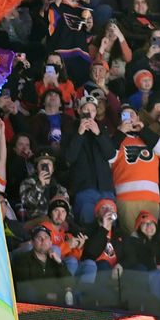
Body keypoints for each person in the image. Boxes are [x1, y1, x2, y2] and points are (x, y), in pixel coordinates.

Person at [110, 103, 160, 233]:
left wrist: (144, 131)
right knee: (132, 237)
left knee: (150, 237)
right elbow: (109, 158)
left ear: (138, 117)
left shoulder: (149, 138)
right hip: (126, 198)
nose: (129, 117)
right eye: (125, 115)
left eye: (132, 114)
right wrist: (120, 133)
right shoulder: (115, 139)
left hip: (151, 198)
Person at [61, 94, 116, 225]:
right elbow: (69, 157)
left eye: (92, 110)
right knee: (87, 225)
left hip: (105, 188)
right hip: (84, 188)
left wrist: (98, 134)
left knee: (110, 227)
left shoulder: (102, 129)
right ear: (79, 110)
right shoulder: (70, 129)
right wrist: (79, 134)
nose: (89, 113)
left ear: (96, 112)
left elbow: (111, 154)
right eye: (86, 109)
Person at [11, 225, 74, 305]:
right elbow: (25, 285)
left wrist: (59, 263)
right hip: (31, 305)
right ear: (33, 243)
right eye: (39, 238)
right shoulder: (22, 259)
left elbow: (69, 283)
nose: (43, 240)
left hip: (54, 304)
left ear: (51, 242)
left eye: (46, 237)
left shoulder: (55, 260)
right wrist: (46, 295)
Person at [120, 210, 160, 306]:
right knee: (157, 274)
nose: (149, 226)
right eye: (144, 224)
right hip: (137, 277)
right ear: (138, 228)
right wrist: (156, 267)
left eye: (151, 223)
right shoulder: (132, 241)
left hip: (156, 275)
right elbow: (136, 261)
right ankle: (157, 308)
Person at [18, 149, 69, 222]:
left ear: (53, 169)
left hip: (55, 224)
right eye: (42, 164)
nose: (46, 167)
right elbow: (27, 203)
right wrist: (40, 185)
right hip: (36, 223)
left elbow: (67, 210)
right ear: (36, 168)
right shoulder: (27, 183)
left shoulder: (60, 188)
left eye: (48, 164)